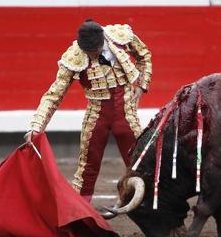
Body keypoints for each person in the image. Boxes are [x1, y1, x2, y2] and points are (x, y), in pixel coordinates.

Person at [24, 19, 152, 203]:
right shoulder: (74, 57)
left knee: (140, 163)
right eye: (88, 53)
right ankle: (79, 213)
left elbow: (144, 56)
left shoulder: (119, 36)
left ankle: (153, 211)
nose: (92, 55)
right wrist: (36, 126)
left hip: (125, 108)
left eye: (95, 51)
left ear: (103, 42)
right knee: (87, 168)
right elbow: (54, 95)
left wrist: (142, 85)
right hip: (96, 112)